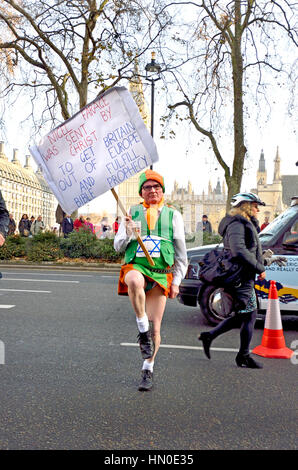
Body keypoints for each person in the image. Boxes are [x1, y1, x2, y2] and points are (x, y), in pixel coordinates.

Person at [114, 170, 188, 391]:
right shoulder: (131, 213)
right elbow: (117, 247)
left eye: (156, 187)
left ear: (162, 190)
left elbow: (181, 253)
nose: (152, 190)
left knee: (157, 328)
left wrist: (176, 281)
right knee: (134, 281)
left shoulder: (173, 215)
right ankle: (141, 327)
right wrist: (127, 233)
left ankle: (148, 368)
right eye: (147, 187)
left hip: (160, 272)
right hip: (136, 265)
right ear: (141, 192)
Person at [198, 192, 286, 369]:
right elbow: (238, 251)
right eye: (255, 206)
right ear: (245, 206)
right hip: (239, 278)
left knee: (244, 315)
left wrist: (267, 260)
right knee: (249, 315)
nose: (257, 209)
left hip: (244, 276)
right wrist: (260, 268)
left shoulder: (245, 224)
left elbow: (249, 251)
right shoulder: (237, 224)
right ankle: (243, 356)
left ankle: (210, 336)